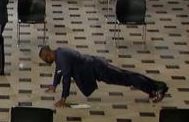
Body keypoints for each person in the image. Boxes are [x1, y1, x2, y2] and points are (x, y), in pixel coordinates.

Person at [39, 45, 168, 107]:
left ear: (49, 54)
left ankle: (158, 88)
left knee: (127, 78)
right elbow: (59, 70)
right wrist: (54, 85)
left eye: (45, 59)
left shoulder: (62, 57)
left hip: (98, 68)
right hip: (95, 66)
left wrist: (63, 98)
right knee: (126, 76)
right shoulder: (59, 54)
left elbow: (66, 78)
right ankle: (152, 89)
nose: (46, 61)